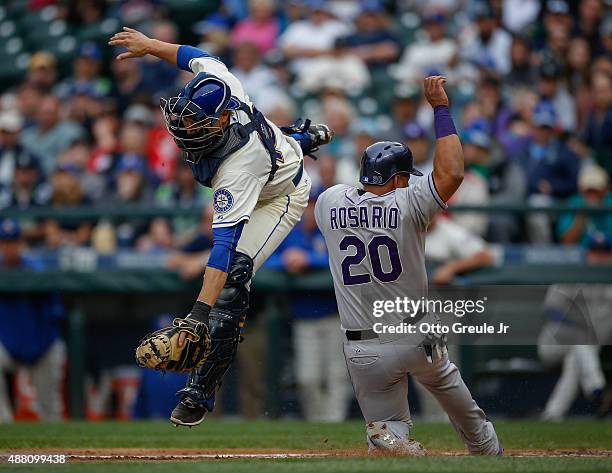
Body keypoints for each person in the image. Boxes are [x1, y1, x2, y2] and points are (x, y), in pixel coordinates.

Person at [109, 26, 333, 427]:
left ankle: (200, 391)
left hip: (278, 195)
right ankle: (295, 138)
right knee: (272, 147)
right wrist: (150, 46)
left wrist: (198, 314)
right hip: (267, 156)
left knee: (233, 278)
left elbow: (222, 247)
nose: (185, 128)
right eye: (185, 119)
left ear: (224, 117)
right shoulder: (221, 83)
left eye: (196, 124)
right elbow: (192, 54)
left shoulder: (237, 167)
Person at [314, 76, 502, 455]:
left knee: (388, 430)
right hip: (415, 332)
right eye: (405, 177)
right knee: (459, 403)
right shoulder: (408, 203)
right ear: (398, 178)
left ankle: (394, 441)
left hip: (362, 346)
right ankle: (486, 449)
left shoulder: (329, 201)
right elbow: (451, 174)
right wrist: (441, 110)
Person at [266, 195, 350, 422]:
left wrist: (309, 259)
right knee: (307, 378)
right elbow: (266, 260)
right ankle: (318, 422)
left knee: (337, 376)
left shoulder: (334, 230)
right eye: (307, 207)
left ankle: (335, 424)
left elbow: (345, 258)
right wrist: (286, 260)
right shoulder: (291, 233)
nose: (310, 212)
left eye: (314, 207)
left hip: (334, 314)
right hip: (303, 316)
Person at [0, 218, 65, 422]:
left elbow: (56, 312)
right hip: (9, 348)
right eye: (5, 242)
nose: (9, 247)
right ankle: (4, 426)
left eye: (13, 242)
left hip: (42, 346)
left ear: (21, 243)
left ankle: (59, 452)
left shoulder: (37, 270)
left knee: (51, 413)